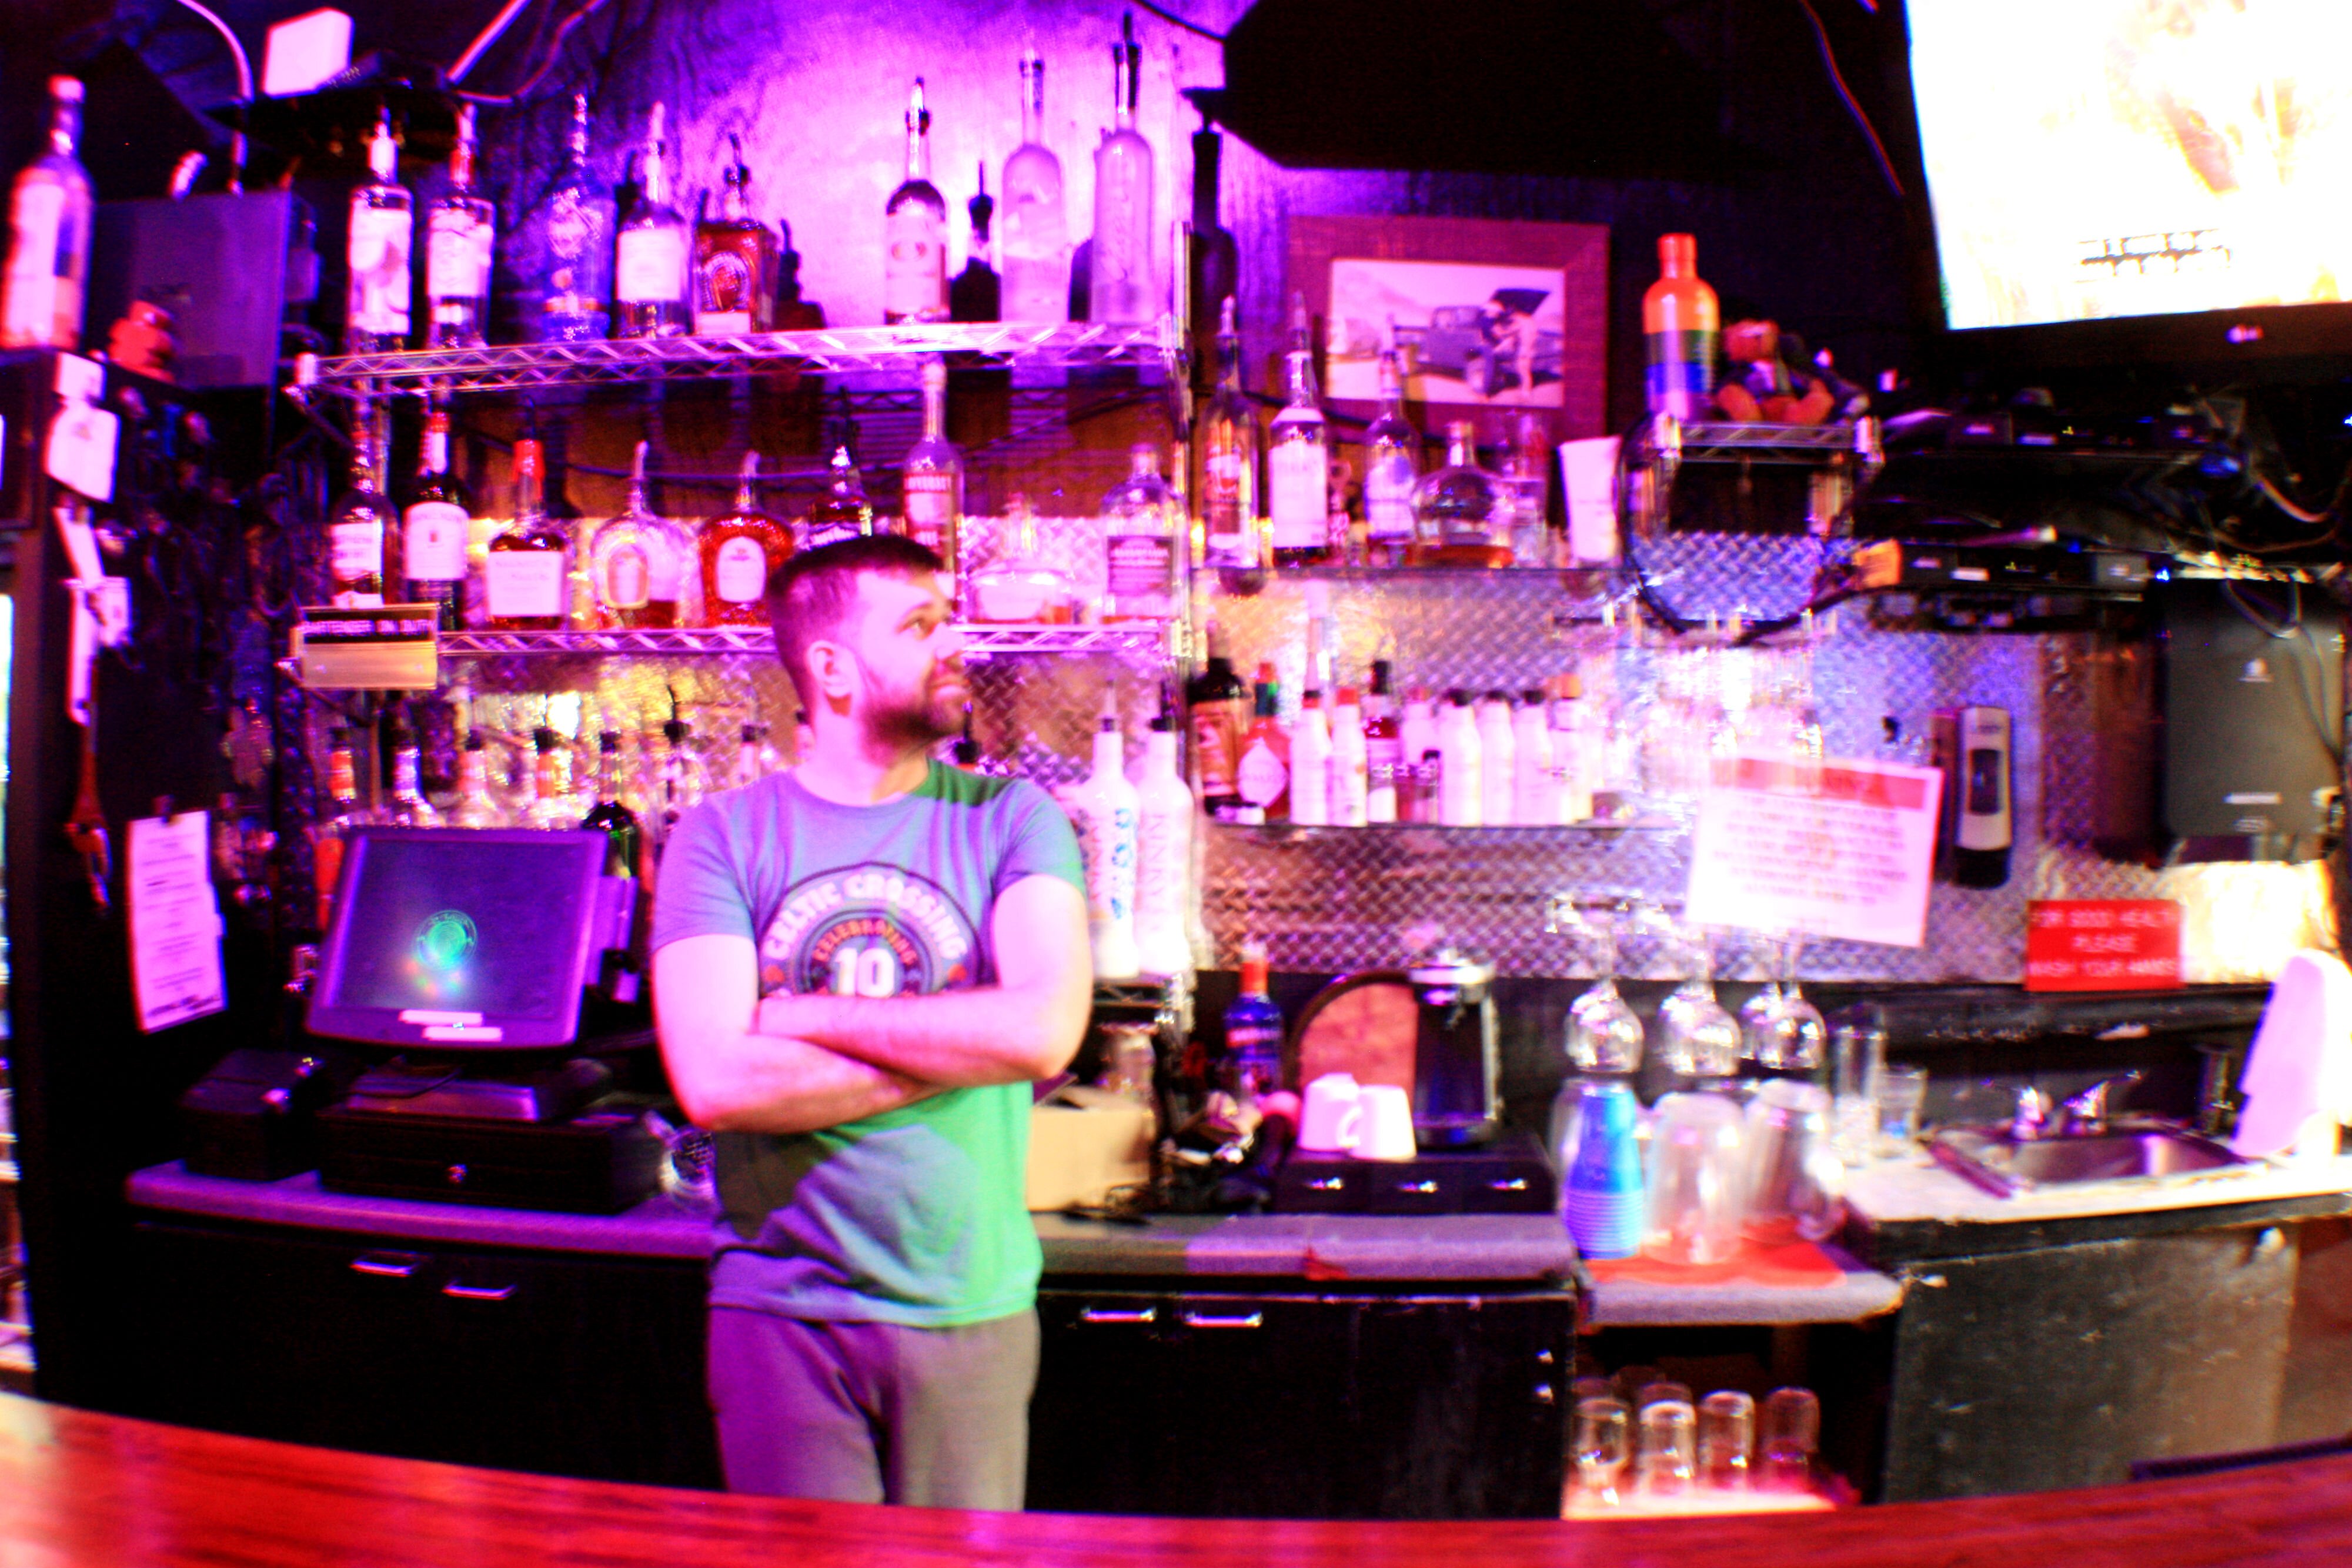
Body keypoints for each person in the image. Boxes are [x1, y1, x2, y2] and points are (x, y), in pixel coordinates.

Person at [651, 533, 1091, 1510]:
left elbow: (1047, 1035)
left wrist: (804, 1016)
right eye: (922, 625)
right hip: (780, 1313)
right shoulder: (720, 836)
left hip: (967, 1305)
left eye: (952, 619)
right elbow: (718, 1083)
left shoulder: (1013, 820)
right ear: (833, 669)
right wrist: (971, 1042)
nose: (957, 644)